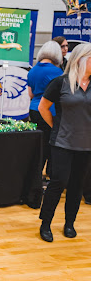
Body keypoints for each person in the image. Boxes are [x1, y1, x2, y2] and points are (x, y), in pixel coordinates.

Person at [38, 43, 91, 243]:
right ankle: (45, 224)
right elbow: (43, 107)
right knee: (58, 182)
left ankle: (70, 223)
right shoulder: (60, 83)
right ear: (81, 59)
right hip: (62, 141)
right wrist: (55, 127)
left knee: (77, 185)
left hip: (86, 144)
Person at [26, 41, 63, 207]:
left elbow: (31, 93)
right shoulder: (57, 71)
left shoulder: (33, 70)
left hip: (33, 110)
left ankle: (33, 183)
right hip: (49, 111)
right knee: (49, 147)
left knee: (36, 147)